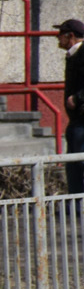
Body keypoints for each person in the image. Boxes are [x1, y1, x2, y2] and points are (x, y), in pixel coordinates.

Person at [59, 19, 84, 196]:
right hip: (77, 120)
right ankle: (76, 201)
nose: (57, 39)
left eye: (60, 35)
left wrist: (78, 98)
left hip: (82, 120)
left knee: (78, 162)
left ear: (71, 36)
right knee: (73, 163)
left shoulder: (82, 53)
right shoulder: (73, 54)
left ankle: (79, 202)